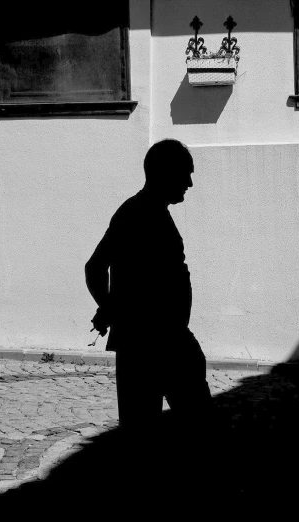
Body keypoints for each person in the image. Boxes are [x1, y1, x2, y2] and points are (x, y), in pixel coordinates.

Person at [85, 139, 212, 443]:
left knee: (148, 431)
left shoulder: (141, 211)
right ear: (165, 173)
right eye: (185, 174)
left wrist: (113, 309)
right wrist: (113, 309)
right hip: (155, 342)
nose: (190, 183)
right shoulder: (138, 213)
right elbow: (95, 268)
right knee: (180, 429)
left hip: (154, 340)